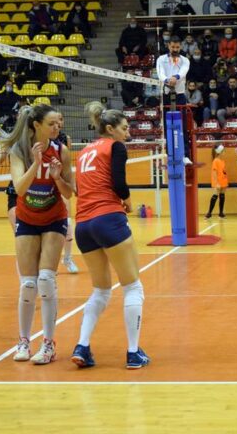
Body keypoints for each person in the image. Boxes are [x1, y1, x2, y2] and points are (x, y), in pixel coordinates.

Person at [70, 103, 150, 369]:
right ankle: (133, 352)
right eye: (124, 129)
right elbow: (118, 181)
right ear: (110, 128)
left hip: (83, 225)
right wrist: (127, 200)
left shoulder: (83, 152)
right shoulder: (115, 147)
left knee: (101, 290)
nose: (128, 134)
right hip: (108, 218)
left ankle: (82, 346)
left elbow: (80, 188)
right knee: (132, 286)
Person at [0, 103, 74, 364]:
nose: (57, 127)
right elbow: (20, 189)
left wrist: (57, 177)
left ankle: (48, 344)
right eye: (52, 123)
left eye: (58, 123)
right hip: (27, 218)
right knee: (28, 284)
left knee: (45, 280)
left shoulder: (62, 151)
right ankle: (23, 341)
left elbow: (69, 193)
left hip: (53, 218)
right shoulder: (19, 151)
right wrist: (37, 164)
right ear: (37, 125)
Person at [53, 112, 78, 274]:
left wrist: (73, 186)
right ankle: (51, 262)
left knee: (67, 222)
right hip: (46, 184)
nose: (59, 123)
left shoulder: (64, 139)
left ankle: (67, 258)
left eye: (61, 119)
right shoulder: (41, 140)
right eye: (55, 120)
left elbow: (68, 166)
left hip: (61, 182)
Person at [206, 144, 228, 219]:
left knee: (222, 196)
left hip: (223, 180)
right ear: (220, 152)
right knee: (215, 196)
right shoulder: (216, 161)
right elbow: (214, 173)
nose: (224, 152)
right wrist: (217, 183)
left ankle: (221, 213)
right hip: (218, 182)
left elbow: (223, 171)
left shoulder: (222, 161)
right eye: (223, 151)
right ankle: (209, 213)